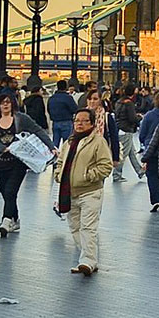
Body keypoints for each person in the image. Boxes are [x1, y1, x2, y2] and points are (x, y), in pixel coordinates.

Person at [0, 91, 54, 237]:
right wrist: (2, 148)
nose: (6, 104)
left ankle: (6, 221)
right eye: (3, 102)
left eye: (8, 102)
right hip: (0, 164)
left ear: (13, 103)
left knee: (10, 191)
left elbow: (38, 130)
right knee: (6, 193)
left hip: (18, 163)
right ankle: (15, 219)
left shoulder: (21, 119)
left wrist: (51, 146)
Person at [54, 108, 113, 276]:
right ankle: (87, 257)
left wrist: (88, 176)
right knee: (75, 227)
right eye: (77, 120)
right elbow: (60, 161)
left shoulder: (98, 142)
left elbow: (106, 165)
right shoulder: (69, 142)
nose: (79, 124)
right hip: (69, 192)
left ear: (92, 123)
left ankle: (88, 261)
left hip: (90, 192)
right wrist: (58, 174)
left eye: (84, 121)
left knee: (88, 227)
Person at [139, 91, 159, 211]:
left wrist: (145, 142)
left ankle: (156, 199)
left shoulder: (149, 116)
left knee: (152, 174)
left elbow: (142, 134)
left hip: (151, 149)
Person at [84, 89, 122, 183]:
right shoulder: (82, 116)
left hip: (100, 155)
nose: (92, 101)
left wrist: (115, 157)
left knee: (98, 184)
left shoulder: (106, 116)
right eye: (90, 98)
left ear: (100, 100)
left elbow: (114, 137)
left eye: (95, 99)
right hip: (84, 154)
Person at [114, 84, 144, 182]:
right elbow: (132, 118)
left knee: (131, 153)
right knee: (124, 154)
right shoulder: (129, 103)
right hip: (127, 129)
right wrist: (139, 117)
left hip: (120, 128)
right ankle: (116, 174)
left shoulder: (119, 101)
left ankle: (139, 170)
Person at [48, 80, 77, 147]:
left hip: (55, 122)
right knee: (67, 144)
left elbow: (49, 109)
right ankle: (65, 156)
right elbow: (74, 109)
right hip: (66, 121)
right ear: (66, 87)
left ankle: (54, 156)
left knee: (55, 143)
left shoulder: (52, 98)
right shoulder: (68, 97)